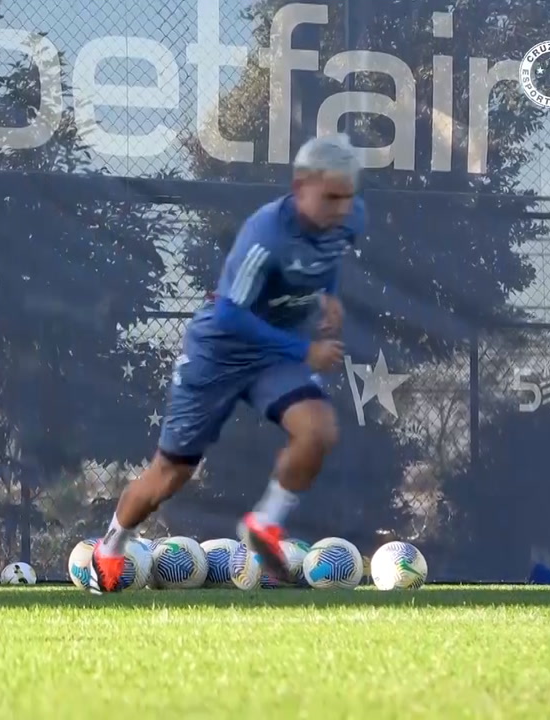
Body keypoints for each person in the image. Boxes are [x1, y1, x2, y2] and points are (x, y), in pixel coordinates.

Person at [87, 134, 363, 594]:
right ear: (299, 187)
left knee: (318, 431)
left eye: (347, 199)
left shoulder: (348, 218)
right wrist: (305, 352)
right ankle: (111, 545)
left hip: (274, 355)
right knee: (170, 474)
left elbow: (329, 256)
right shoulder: (266, 234)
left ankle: (265, 525)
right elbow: (232, 315)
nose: (340, 209)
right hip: (219, 351)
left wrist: (330, 295)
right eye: (330, 198)